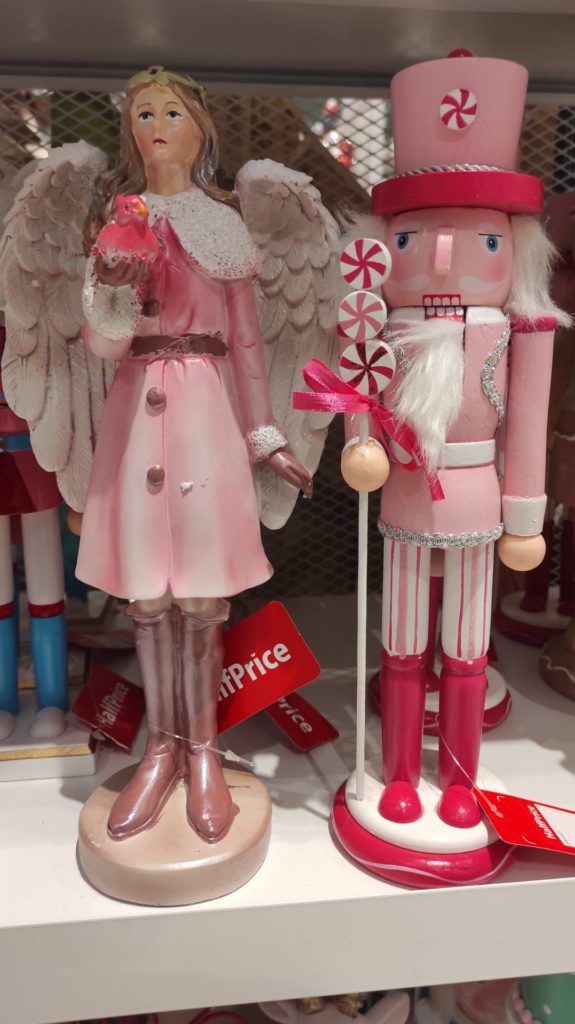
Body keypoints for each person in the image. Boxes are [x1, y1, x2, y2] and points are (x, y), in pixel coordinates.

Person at [78, 66, 312, 843]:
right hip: (135, 415)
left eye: (171, 111)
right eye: (143, 112)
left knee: (204, 597)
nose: (155, 125)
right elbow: (103, 345)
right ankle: (161, 749)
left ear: (200, 127)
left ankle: (204, 750)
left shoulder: (224, 227)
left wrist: (264, 437)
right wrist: (113, 284)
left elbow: (246, 342)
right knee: (148, 599)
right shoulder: (117, 222)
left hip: (206, 413)